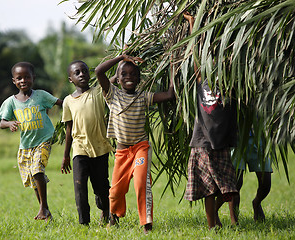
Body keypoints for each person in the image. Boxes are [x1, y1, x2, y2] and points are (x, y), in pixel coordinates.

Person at [95, 54, 174, 233]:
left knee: (141, 183)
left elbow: (170, 95)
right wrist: (121, 57)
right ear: (118, 78)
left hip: (140, 148)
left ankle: (147, 223)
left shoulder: (144, 96)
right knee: (115, 192)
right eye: (124, 74)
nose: (129, 77)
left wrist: (172, 65)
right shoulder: (112, 94)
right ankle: (113, 215)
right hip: (122, 153)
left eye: (133, 74)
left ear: (139, 78)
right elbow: (99, 71)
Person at [183, 13, 239, 229]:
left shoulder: (232, 85)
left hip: (222, 142)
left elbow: (236, 54)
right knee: (208, 188)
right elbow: (195, 54)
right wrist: (192, 25)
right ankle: (212, 226)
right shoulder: (201, 80)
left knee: (228, 189)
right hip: (203, 142)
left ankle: (217, 219)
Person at [0, 61, 62, 221]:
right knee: (33, 180)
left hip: (44, 140)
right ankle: (45, 212)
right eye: (19, 78)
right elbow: (1, 122)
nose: (23, 81)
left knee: (37, 170)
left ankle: (43, 208)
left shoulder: (41, 95)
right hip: (26, 145)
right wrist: (10, 123)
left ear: (33, 78)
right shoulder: (11, 102)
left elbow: (61, 103)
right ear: (14, 81)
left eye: (27, 77)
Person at [61, 60, 113, 226]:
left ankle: (106, 211)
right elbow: (69, 128)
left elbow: (115, 78)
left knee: (102, 187)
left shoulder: (98, 92)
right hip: (79, 148)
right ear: (71, 79)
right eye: (77, 72)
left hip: (100, 147)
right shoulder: (68, 101)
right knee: (80, 187)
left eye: (84, 71)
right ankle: (84, 223)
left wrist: (124, 56)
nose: (82, 74)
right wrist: (66, 156)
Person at [215, 135, 272, 225]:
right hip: (236, 138)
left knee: (266, 183)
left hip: (257, 137)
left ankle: (256, 203)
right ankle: (234, 221)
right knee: (236, 184)